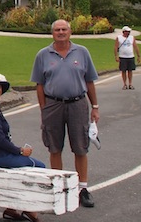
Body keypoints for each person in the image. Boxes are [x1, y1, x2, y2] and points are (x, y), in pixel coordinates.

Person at [31, 19, 99, 208]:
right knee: (54, 146)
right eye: (57, 30)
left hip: (78, 103)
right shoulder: (43, 55)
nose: (61, 32)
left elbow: (90, 81)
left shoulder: (82, 52)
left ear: (70, 32)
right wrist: (44, 109)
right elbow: (39, 85)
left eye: (64, 29)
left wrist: (95, 106)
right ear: (52, 33)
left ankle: (82, 188)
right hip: (53, 104)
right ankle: (58, 185)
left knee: (80, 146)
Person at [0, 73, 45, 222]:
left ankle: (12, 208)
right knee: (38, 167)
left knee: (29, 166)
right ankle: (29, 208)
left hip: (0, 153)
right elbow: (0, 140)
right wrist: (20, 151)